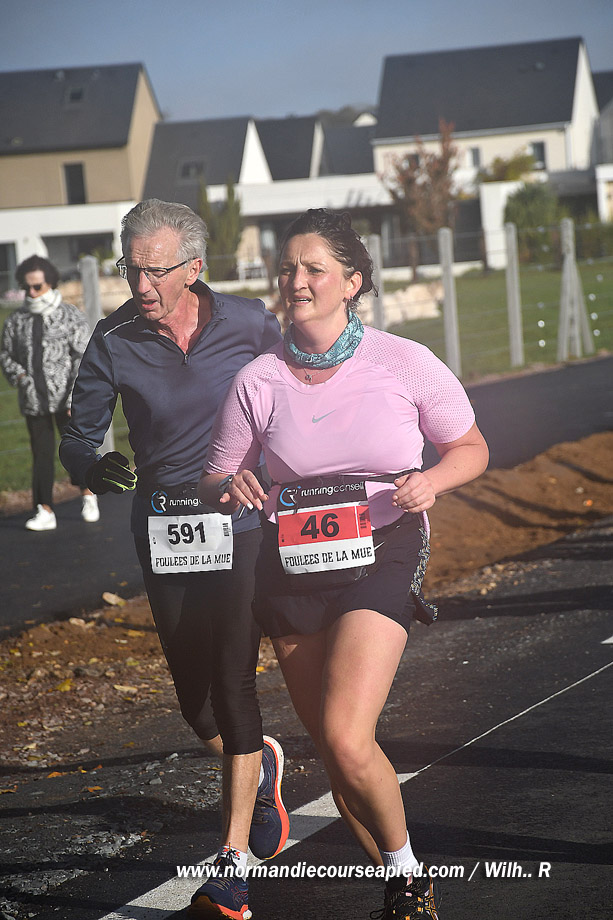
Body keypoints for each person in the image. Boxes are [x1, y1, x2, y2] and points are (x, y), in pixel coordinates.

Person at [200, 208, 489, 920]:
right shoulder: (258, 379)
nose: (295, 281)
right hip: (292, 560)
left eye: (313, 269)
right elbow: (215, 477)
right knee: (336, 754)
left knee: (344, 733)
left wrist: (431, 482)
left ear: (352, 281)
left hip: (383, 545)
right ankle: (399, 886)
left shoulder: (403, 361)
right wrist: (232, 484)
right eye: (287, 269)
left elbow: (471, 449)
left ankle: (409, 876)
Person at [59, 199, 289, 920]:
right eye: (130, 268)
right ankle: (259, 767)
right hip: (165, 526)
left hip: (240, 517)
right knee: (196, 703)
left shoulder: (249, 322)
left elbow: (299, 385)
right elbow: (78, 435)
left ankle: (231, 862)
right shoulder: (113, 338)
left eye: (154, 270)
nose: (140, 284)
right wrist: (92, 466)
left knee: (234, 677)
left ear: (194, 267)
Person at [0, 255, 99, 530]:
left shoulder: (70, 316)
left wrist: (74, 398)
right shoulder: (16, 321)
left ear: (51, 283)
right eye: (26, 287)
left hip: (67, 400)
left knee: (77, 452)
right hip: (34, 402)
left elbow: (83, 358)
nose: (31, 292)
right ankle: (44, 509)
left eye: (37, 286)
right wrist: (20, 377)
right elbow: (5, 354)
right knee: (41, 456)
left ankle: (88, 494)